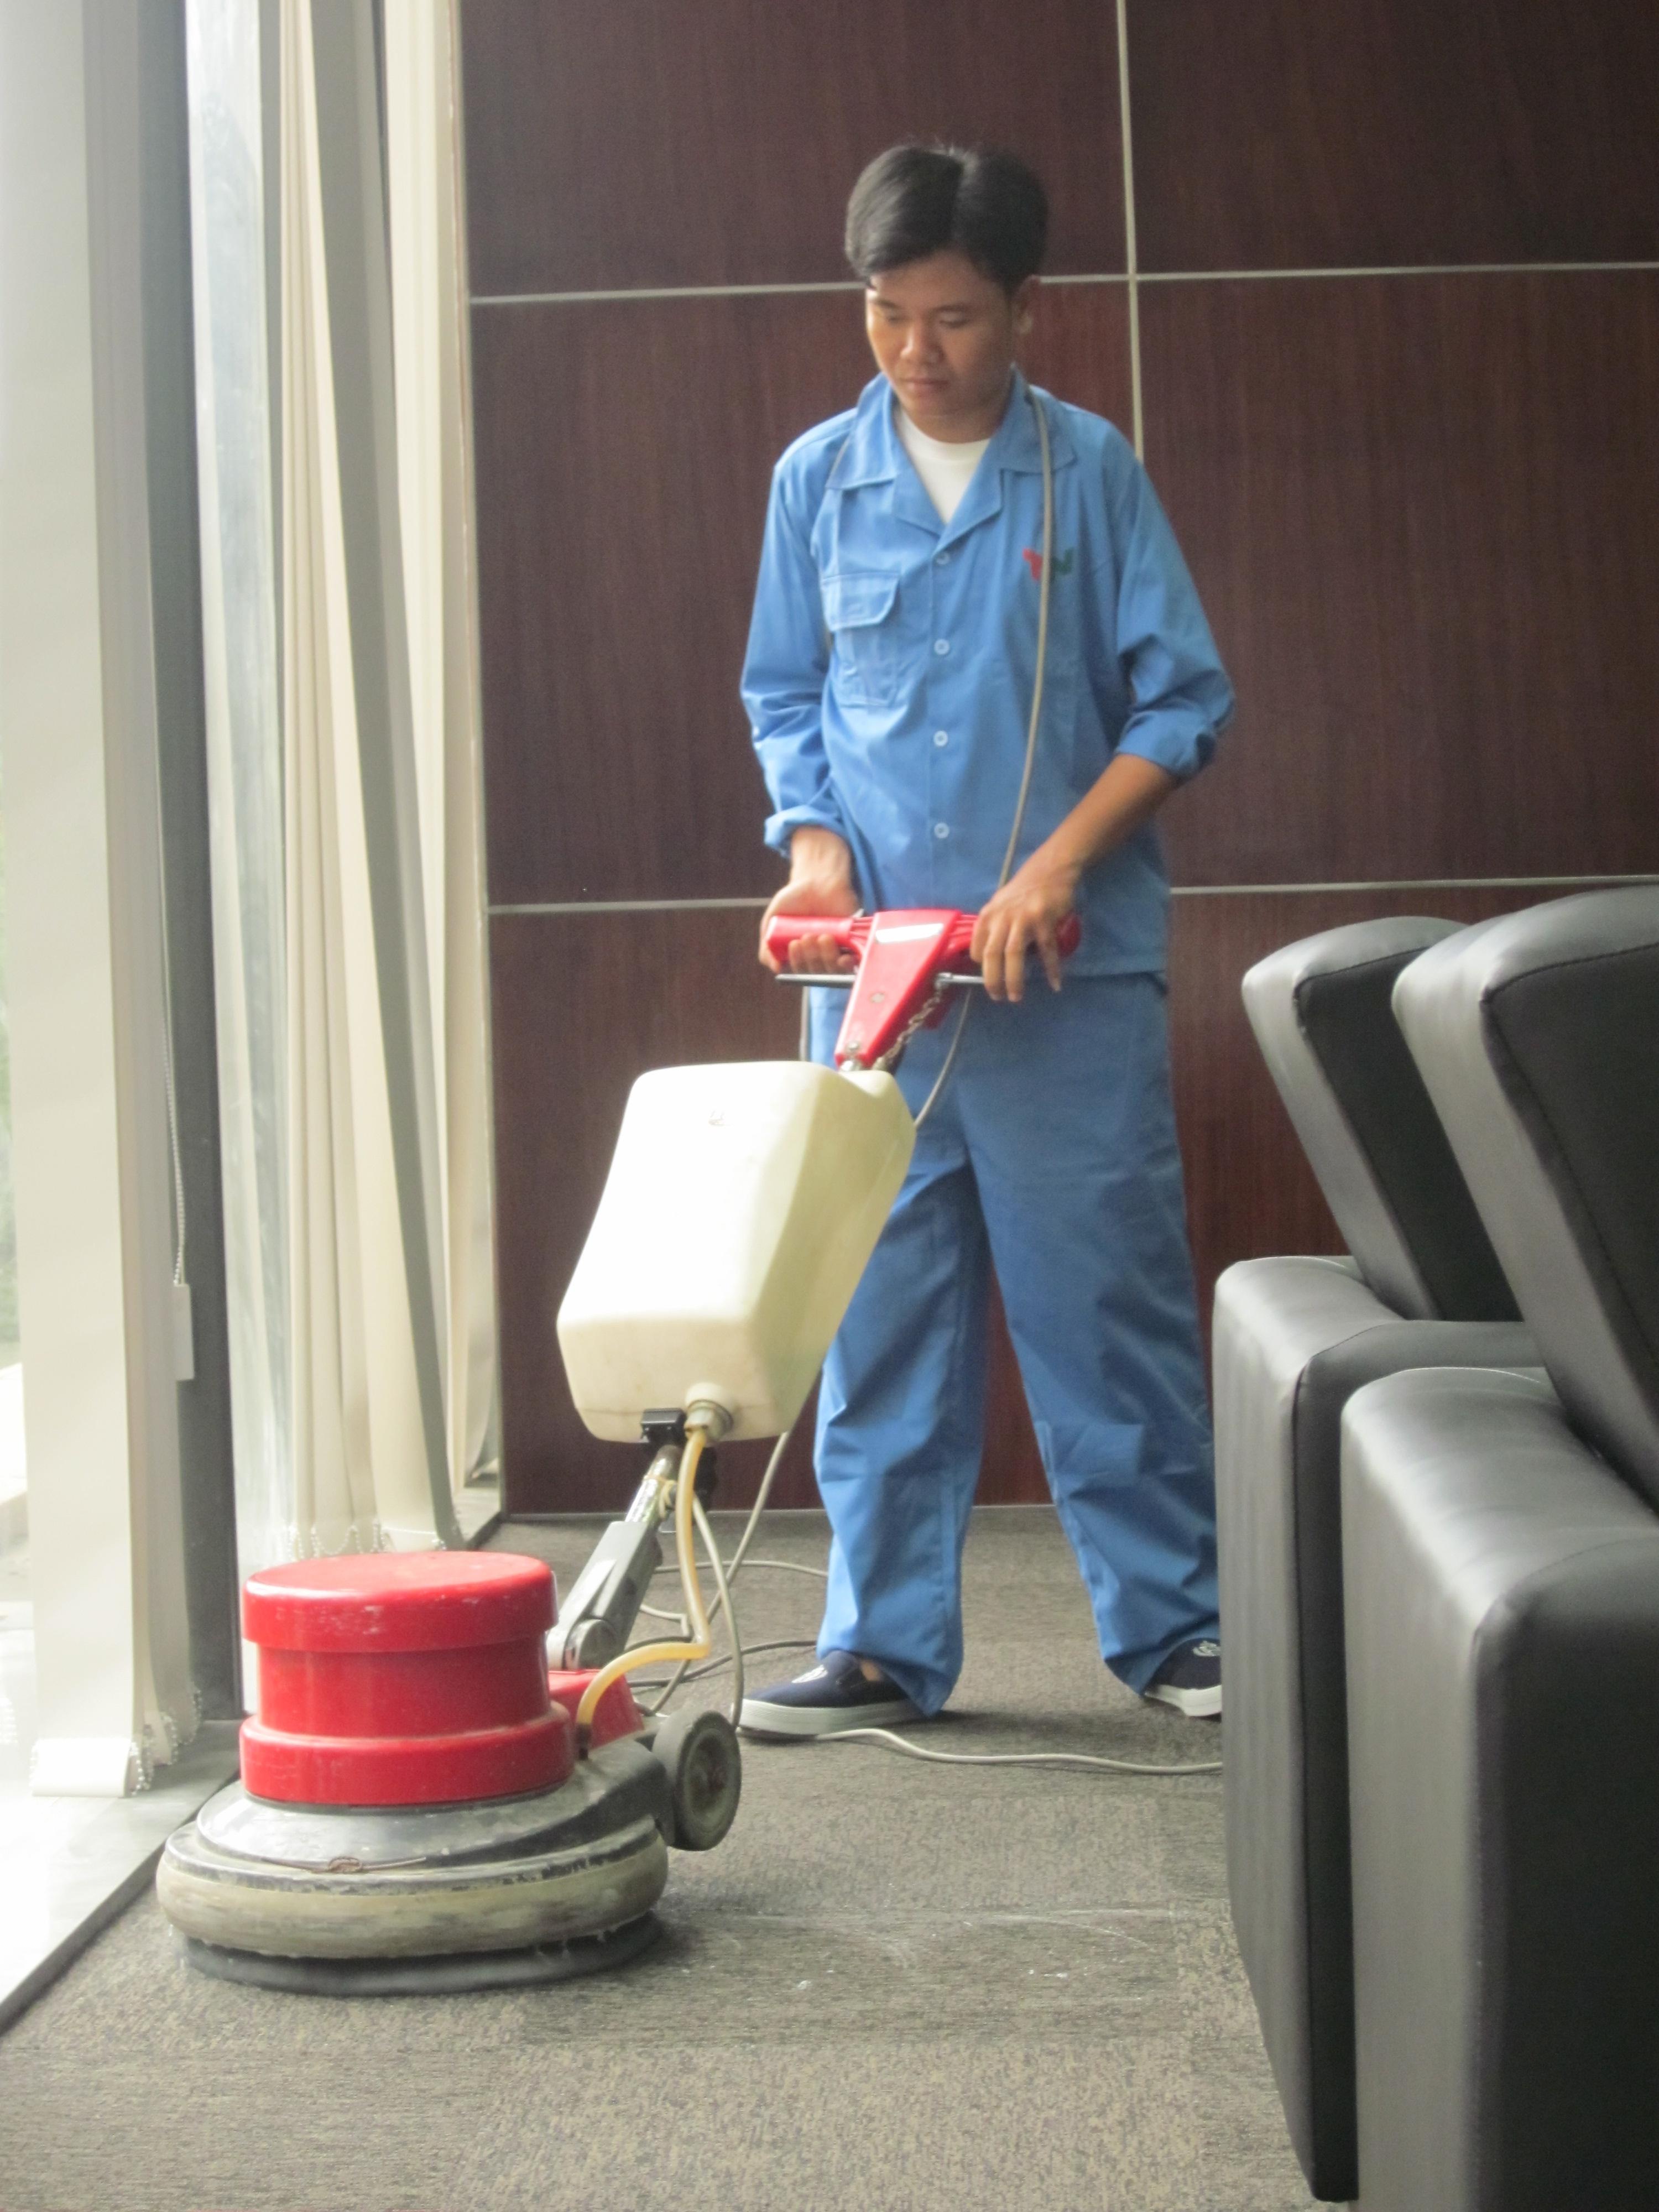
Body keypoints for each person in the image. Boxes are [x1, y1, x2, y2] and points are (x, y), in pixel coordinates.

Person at [737, 144, 1233, 1737]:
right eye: (887, 314)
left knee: (1105, 1311)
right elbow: (786, 695)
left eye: (951, 317)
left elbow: (1182, 702)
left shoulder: (1087, 475)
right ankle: (881, 1642)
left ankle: (1177, 1629)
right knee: (876, 1312)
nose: (915, 350)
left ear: (1026, 308)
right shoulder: (817, 481)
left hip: (1061, 984)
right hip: (880, 992)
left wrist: (1057, 867)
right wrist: (816, 850)